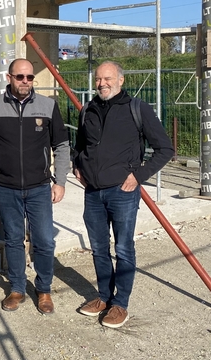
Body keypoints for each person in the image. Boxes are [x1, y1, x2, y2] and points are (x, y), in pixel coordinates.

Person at [73, 61, 174, 328]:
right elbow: (79, 145)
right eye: (98, 79)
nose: (102, 83)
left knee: (124, 249)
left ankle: (121, 304)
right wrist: (77, 166)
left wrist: (138, 176)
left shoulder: (137, 109)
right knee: (98, 249)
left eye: (108, 78)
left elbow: (165, 149)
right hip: (93, 193)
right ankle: (103, 297)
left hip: (122, 192)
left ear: (121, 80)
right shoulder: (88, 110)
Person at [0, 58, 69, 315]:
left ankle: (44, 289)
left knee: (44, 241)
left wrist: (60, 181)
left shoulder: (48, 106)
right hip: (5, 187)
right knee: (14, 240)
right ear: (9, 77)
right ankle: (17, 288)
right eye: (20, 77)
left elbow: (61, 145)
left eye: (29, 77)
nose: (25, 82)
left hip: (39, 186)